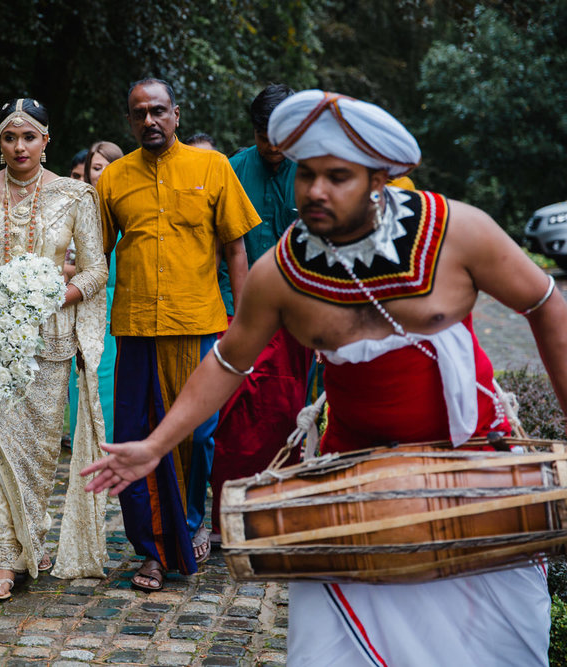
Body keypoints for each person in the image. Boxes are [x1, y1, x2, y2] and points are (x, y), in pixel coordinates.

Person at [84, 89, 564, 665]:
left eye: (337, 176)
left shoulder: (456, 231)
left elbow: (545, 303)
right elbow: (229, 360)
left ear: (380, 178)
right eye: (306, 173)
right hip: (350, 497)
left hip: (472, 487)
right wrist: (156, 445)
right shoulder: (282, 272)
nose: (314, 190)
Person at [96, 78, 260, 591]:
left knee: (194, 435)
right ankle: (149, 551)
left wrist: (246, 324)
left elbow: (236, 251)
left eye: (158, 110)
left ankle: (188, 530)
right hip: (137, 328)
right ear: (129, 121)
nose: (149, 120)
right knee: (136, 436)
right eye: (139, 112)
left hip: (198, 324)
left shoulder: (213, 169)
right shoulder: (113, 180)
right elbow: (96, 256)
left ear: (177, 115)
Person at [0, 98, 109, 600]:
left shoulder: (76, 195)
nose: (19, 146)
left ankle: (29, 537)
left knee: (37, 453)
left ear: (46, 141)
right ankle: (5, 558)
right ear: (0, 144)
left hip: (52, 341)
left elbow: (96, 269)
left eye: (29, 137)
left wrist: (49, 295)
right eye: (10, 137)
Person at [209, 83, 315, 541]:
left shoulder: (312, 171)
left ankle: (277, 510)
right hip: (238, 310)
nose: (272, 146)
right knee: (230, 412)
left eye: (280, 136)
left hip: (299, 314)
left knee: (287, 410)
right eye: (263, 135)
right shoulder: (232, 170)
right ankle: (221, 518)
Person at [68, 140, 124, 446]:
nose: (101, 174)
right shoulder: (79, 210)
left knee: (115, 385)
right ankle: (85, 453)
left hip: (121, 307)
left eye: (108, 166)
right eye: (96, 168)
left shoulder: (127, 207)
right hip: (86, 305)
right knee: (85, 381)